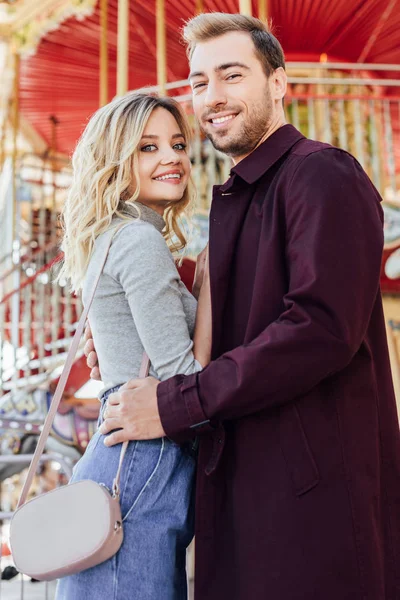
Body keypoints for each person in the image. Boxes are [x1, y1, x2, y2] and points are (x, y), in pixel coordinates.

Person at [86, 13, 400, 600]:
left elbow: (320, 328)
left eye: (232, 75)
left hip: (308, 508)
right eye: (200, 82)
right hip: (245, 491)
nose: (213, 97)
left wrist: (179, 402)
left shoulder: (319, 175)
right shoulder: (235, 205)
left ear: (278, 82)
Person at [56, 91, 211, 599]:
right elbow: (183, 377)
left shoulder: (109, 236)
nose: (171, 157)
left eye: (177, 143)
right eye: (147, 147)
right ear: (115, 160)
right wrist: (207, 291)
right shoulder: (139, 241)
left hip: (118, 455)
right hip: (145, 457)